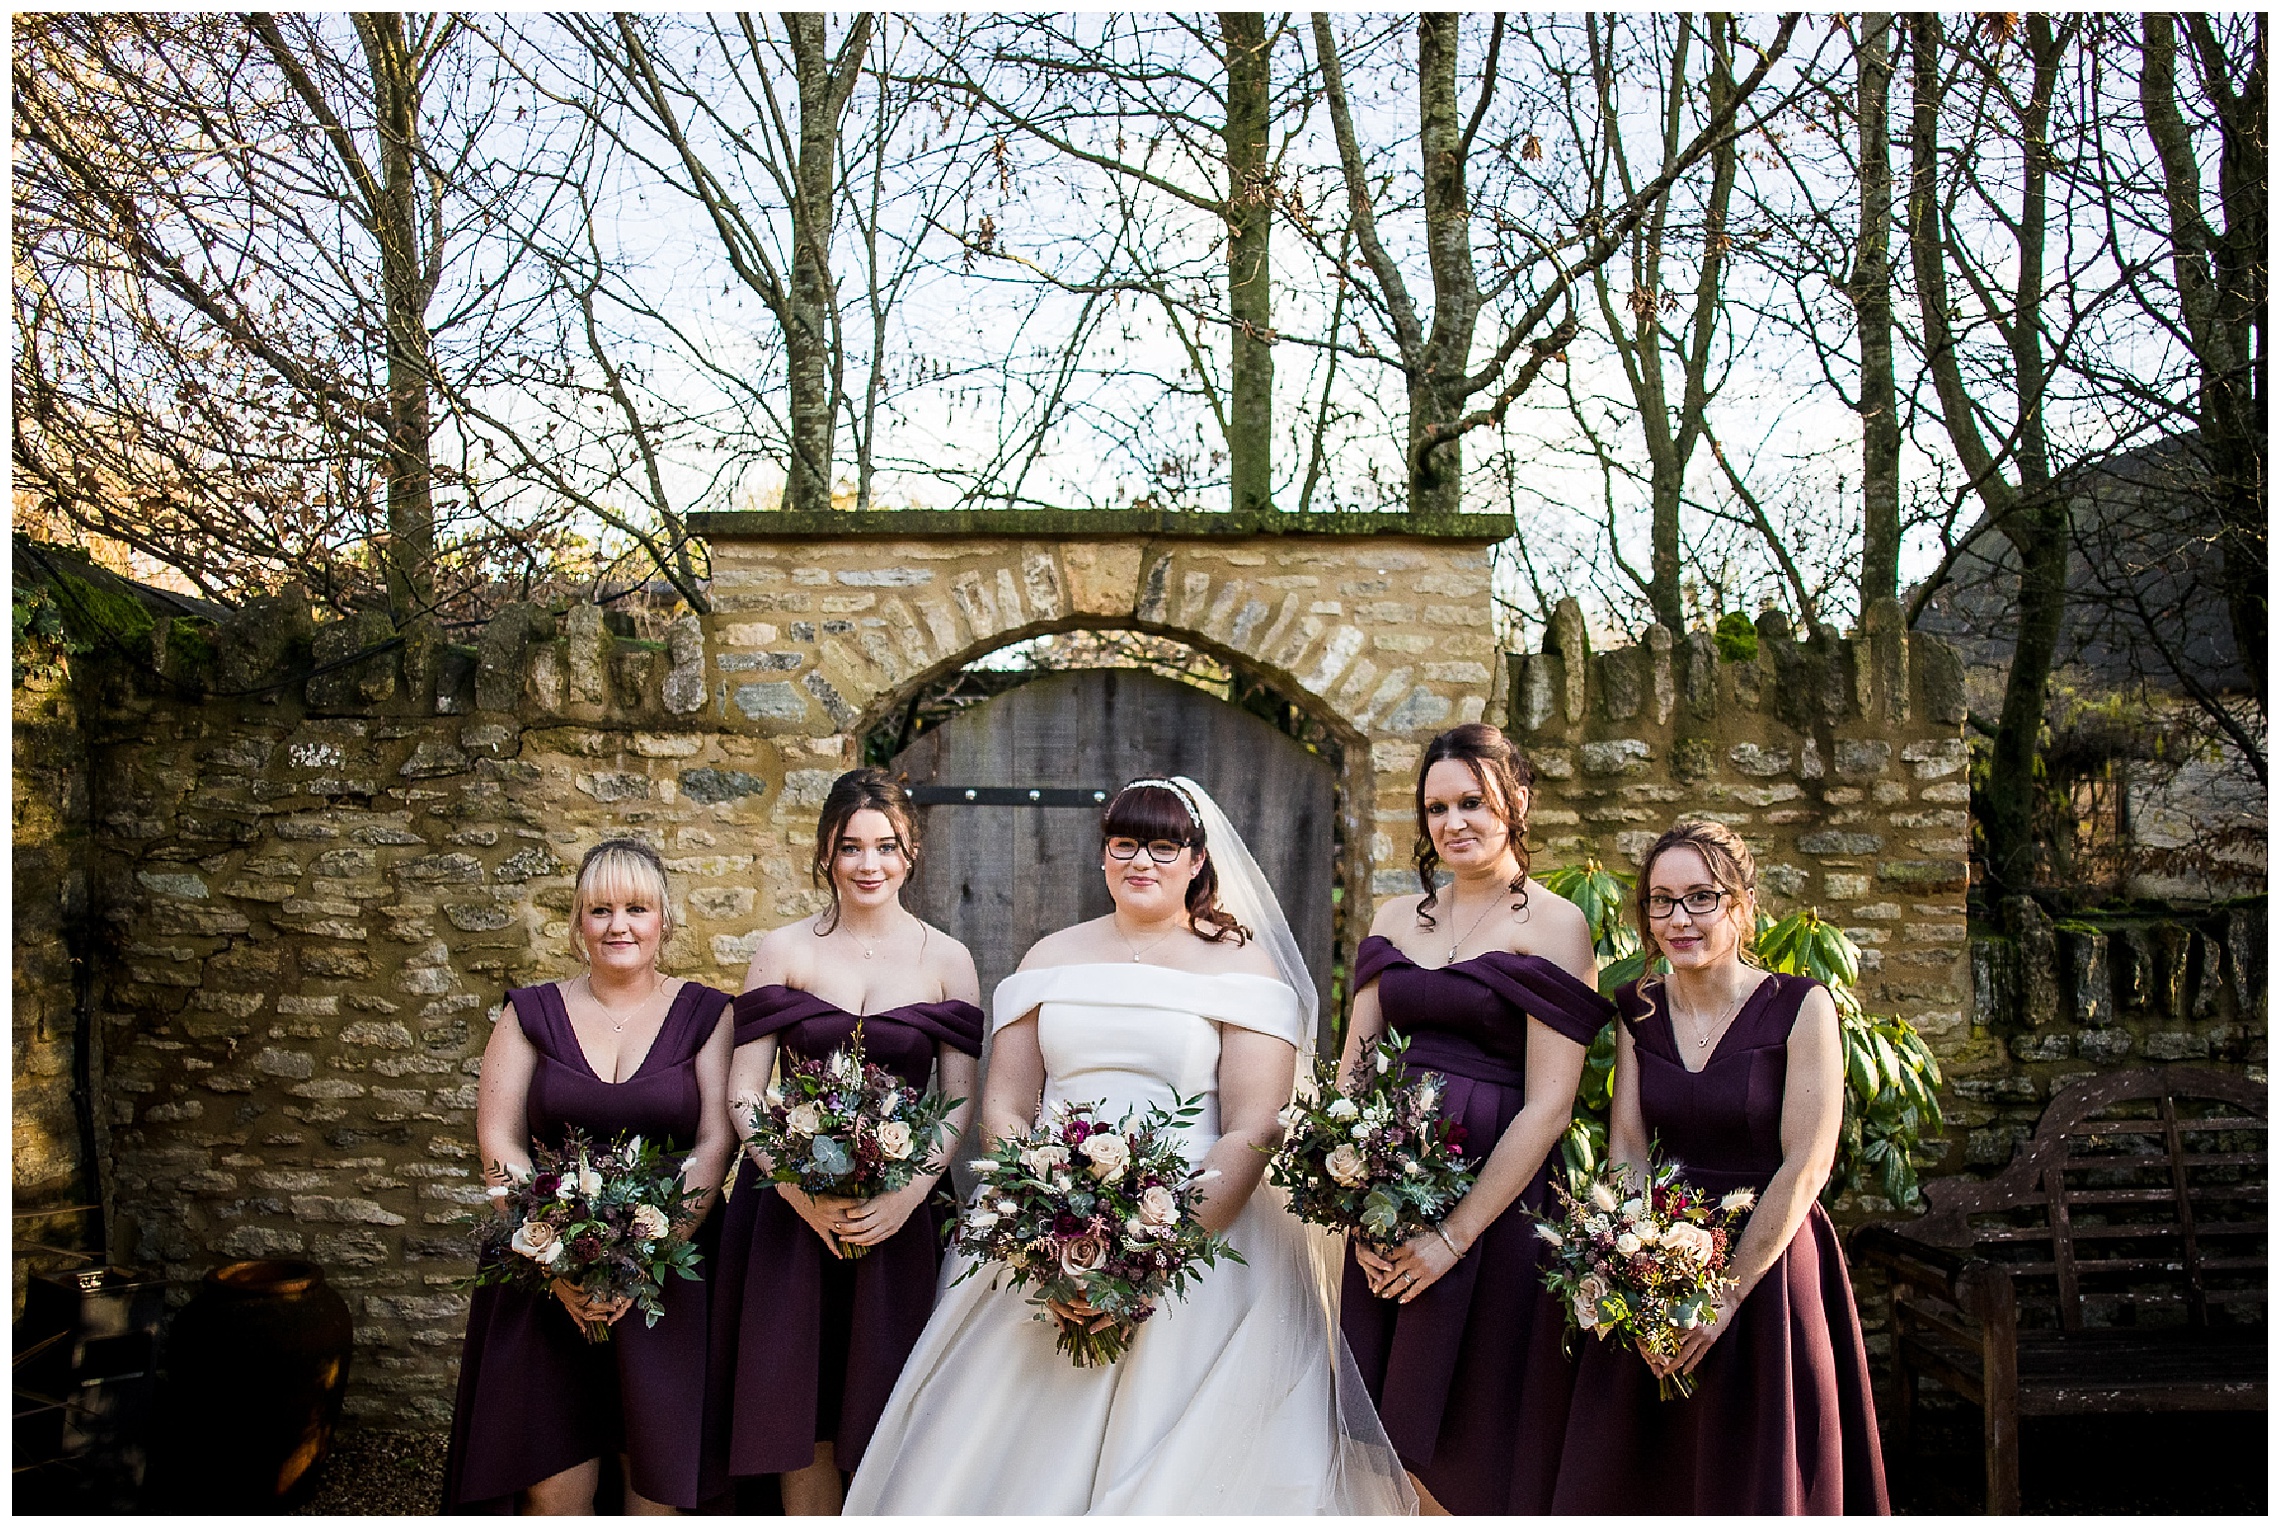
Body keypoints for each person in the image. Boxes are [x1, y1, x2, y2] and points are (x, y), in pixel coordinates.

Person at [842, 778, 1415, 1515]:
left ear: (1198, 860)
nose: (1142, 860)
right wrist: (1047, 1233)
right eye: (1125, 844)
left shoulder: (1242, 967)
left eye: (1164, 845)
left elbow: (1251, 1126)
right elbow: (1009, 1106)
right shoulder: (1052, 954)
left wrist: (1148, 1258)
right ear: (1104, 855)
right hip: (1048, 1230)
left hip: (1200, 1242)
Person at [1529, 818, 1889, 1514]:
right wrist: (1638, 1279)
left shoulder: (1801, 1005)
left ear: (1742, 905)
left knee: (1756, 1475)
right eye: (1660, 901)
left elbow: (1807, 1162)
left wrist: (1724, 1295)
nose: (1678, 919)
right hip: (1658, 1262)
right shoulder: (1637, 1008)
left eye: (1701, 897)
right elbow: (1629, 1148)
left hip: (1769, 1267)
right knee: (1645, 1474)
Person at [1338, 722, 1613, 1514]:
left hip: (1497, 1205)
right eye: (1436, 808)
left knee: (1470, 1429)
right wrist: (1359, 1213)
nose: (1454, 822)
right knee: (1379, 1434)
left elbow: (1551, 1104)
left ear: (1515, 802)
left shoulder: (1556, 925)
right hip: (1388, 1194)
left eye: (1473, 802)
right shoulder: (1394, 919)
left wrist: (1451, 1237)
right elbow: (1354, 1078)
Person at [706, 769, 983, 1514]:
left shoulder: (948, 961)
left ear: (910, 850)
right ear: (825, 853)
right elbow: (744, 1093)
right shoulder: (783, 950)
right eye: (851, 847)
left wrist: (910, 1194)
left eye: (886, 846)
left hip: (904, 1217)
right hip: (788, 1218)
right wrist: (799, 1194)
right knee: (801, 1408)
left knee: (890, 1403)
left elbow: (956, 1103)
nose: (869, 865)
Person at [442, 839, 737, 1514]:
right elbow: (499, 1137)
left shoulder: (708, 1013)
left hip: (670, 1276)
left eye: (636, 908)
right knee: (552, 1480)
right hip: (545, 1280)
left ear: (664, 917)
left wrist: (645, 1259)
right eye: (600, 910)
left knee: (658, 1483)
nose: (618, 926)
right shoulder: (530, 1012)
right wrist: (552, 1254)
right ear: (578, 923)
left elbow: (716, 1140)